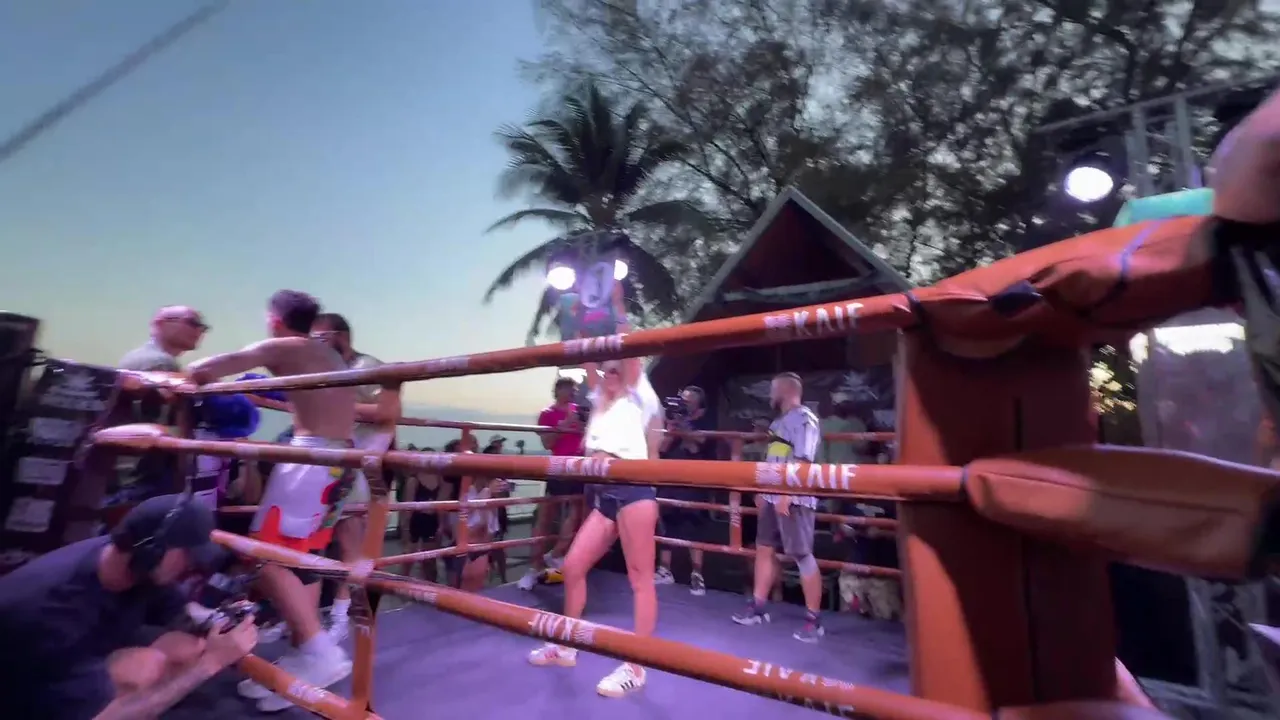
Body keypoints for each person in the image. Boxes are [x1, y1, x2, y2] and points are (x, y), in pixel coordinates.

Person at [183, 290, 357, 712]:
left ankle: (318, 649)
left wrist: (188, 378)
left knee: (265, 553)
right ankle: (303, 651)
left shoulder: (284, 346)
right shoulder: (330, 357)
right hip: (340, 461)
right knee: (300, 557)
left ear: (276, 320)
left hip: (312, 459)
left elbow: (202, 369)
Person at [0, 495, 257, 720]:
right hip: (21, 703)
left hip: (62, 672)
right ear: (151, 550)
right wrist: (210, 664)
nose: (192, 566)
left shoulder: (131, 563)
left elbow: (178, 609)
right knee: (142, 669)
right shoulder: (54, 612)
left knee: (185, 648)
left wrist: (220, 620)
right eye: (187, 556)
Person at [527, 286, 664, 698]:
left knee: (640, 580)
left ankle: (637, 668)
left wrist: (617, 303)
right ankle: (567, 646)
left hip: (635, 492)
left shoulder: (639, 394)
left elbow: (626, 344)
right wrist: (574, 307)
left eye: (615, 368)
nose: (607, 373)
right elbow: (587, 353)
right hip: (605, 495)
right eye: (604, 369)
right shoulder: (600, 396)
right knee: (572, 567)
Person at [311, 312, 387, 641]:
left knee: (350, 546)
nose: (314, 346)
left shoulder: (367, 367)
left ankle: (342, 617)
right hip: (322, 464)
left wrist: (338, 409)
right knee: (311, 544)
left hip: (354, 468)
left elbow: (388, 412)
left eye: (320, 338)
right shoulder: (323, 371)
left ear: (340, 336)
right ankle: (310, 615)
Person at [732, 372, 825, 643]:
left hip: (794, 497)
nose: (771, 395)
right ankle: (758, 608)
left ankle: (814, 621)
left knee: (802, 554)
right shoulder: (778, 422)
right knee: (763, 547)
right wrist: (764, 491)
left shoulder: (806, 419)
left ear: (785, 390)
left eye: (774, 390)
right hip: (772, 495)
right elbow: (773, 460)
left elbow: (804, 461)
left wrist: (787, 492)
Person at [517, 376, 587, 590]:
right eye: (570, 389)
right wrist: (566, 423)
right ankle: (534, 567)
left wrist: (584, 424)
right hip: (558, 466)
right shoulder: (547, 413)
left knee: (577, 514)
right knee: (546, 517)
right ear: (558, 390)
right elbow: (548, 443)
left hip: (579, 467)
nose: (574, 393)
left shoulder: (581, 411)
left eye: (575, 390)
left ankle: (556, 554)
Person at [655, 385, 716, 596]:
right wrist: (672, 426)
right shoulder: (673, 419)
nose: (685, 404)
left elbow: (697, 444)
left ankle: (697, 575)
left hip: (694, 480)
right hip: (670, 478)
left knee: (694, 526)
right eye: (683, 400)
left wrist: (684, 425)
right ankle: (664, 570)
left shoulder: (704, 421)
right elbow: (662, 448)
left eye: (689, 401)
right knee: (666, 524)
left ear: (698, 404)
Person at [119, 306, 209, 372]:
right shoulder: (160, 361)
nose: (199, 330)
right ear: (160, 324)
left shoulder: (137, 356)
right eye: (192, 323)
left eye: (203, 328)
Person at [399, 447, 442, 582]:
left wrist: (441, 524)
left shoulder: (440, 478)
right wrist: (405, 530)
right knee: (408, 558)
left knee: (429, 559)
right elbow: (407, 507)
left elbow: (443, 502)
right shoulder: (414, 479)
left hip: (432, 520)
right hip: (416, 520)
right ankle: (402, 584)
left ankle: (431, 584)